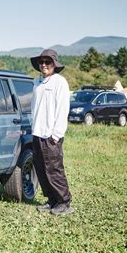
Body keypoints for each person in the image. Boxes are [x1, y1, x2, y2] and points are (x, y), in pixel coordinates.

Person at [30, 49, 74, 215]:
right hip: (37, 133)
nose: (44, 65)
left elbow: (63, 109)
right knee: (41, 169)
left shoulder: (59, 82)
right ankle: (52, 200)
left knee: (54, 169)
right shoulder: (37, 82)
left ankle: (64, 202)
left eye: (47, 62)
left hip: (51, 135)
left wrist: (56, 135)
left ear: (54, 64)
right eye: (41, 62)